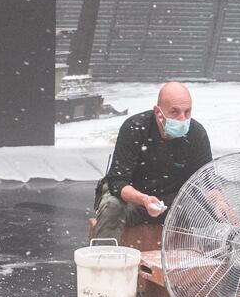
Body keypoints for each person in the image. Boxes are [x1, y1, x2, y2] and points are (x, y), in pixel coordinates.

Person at [91, 81, 213, 240]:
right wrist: (144, 200)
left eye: (187, 112)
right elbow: (117, 182)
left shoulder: (197, 134)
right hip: (135, 200)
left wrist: (220, 205)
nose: (182, 119)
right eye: (174, 112)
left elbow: (207, 182)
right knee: (112, 206)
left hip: (174, 204)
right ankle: (107, 259)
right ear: (158, 112)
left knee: (209, 212)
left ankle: (205, 261)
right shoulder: (134, 128)